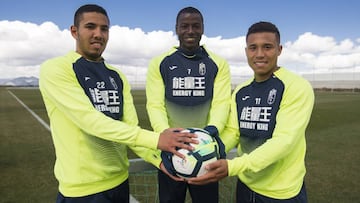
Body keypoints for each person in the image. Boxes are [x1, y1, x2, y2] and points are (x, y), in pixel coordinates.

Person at [39, 4, 198, 203]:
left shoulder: (117, 76)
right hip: (82, 191)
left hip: (120, 183)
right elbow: (91, 122)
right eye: (90, 27)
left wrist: (159, 162)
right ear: (74, 31)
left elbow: (130, 129)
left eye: (104, 29)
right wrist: (157, 139)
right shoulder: (56, 69)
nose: (98, 34)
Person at [187, 21, 315, 203]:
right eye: (253, 48)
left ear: (279, 50)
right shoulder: (241, 91)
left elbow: (284, 141)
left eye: (267, 47)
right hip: (246, 185)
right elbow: (233, 131)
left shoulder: (296, 87)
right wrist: (208, 147)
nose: (260, 54)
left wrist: (233, 166)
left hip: (280, 193)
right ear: (246, 51)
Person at [146, 6, 231, 203]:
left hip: (206, 153)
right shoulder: (160, 63)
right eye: (185, 26)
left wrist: (212, 131)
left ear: (202, 28)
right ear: (176, 28)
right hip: (171, 152)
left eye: (195, 26)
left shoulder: (218, 63)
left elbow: (221, 103)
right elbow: (155, 105)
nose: (190, 31)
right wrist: (166, 135)